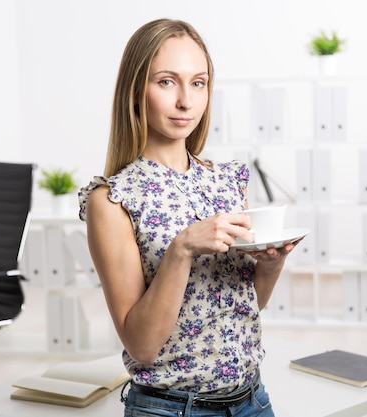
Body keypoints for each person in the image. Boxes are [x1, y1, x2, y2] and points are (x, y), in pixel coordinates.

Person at [78, 18, 301, 417]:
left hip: (253, 400)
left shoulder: (227, 181)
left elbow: (246, 305)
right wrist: (180, 250)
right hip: (172, 410)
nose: (186, 101)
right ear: (135, 91)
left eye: (198, 83)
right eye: (167, 81)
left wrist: (270, 265)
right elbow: (142, 345)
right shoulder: (112, 200)